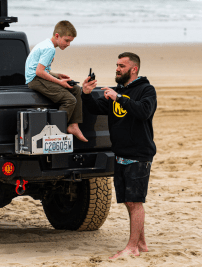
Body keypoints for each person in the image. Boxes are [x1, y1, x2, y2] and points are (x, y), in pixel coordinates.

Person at [81, 52, 157, 259]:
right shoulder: (118, 91)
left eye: (122, 66)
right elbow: (97, 109)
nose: (117, 69)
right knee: (128, 201)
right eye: (116, 65)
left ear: (134, 69)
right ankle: (140, 242)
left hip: (138, 153)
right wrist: (86, 94)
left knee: (135, 201)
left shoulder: (146, 90)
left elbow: (144, 112)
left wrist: (120, 98)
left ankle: (132, 247)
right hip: (120, 152)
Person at [25, 20, 87, 142]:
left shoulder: (46, 44)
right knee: (69, 100)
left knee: (76, 89)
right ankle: (55, 133)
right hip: (35, 80)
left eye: (71, 41)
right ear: (57, 36)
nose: (68, 44)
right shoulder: (49, 49)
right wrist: (59, 82)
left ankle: (74, 125)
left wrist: (58, 75)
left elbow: (42, 69)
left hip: (38, 77)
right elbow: (39, 72)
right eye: (67, 40)